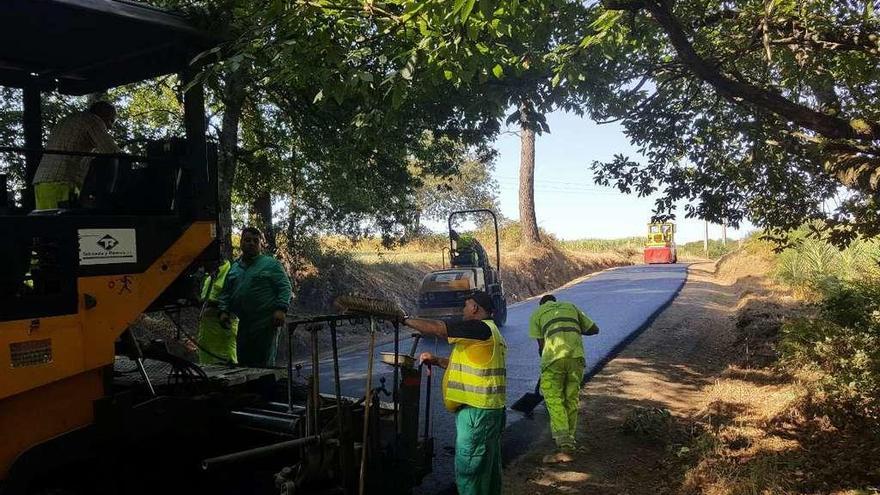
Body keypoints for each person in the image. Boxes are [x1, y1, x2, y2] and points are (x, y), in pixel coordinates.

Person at [401, 291, 507, 495]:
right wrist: (437, 360)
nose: (464, 309)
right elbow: (469, 365)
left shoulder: (480, 327)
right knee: (488, 471)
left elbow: (440, 329)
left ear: (475, 308)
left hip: (477, 413)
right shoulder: (491, 332)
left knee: (470, 473)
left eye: (466, 305)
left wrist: (404, 320)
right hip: (490, 411)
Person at [528, 294, 599, 463]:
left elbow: (541, 346)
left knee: (554, 399)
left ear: (541, 304)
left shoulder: (537, 314)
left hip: (553, 360)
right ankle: (571, 437)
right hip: (576, 358)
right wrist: (574, 328)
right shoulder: (570, 307)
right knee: (571, 398)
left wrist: (545, 362)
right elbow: (594, 329)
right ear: (555, 301)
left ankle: (564, 443)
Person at [218, 227, 292, 367]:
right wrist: (223, 311)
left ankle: (266, 387)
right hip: (244, 324)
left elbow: (285, 287)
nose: (251, 243)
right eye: (247, 240)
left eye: (255, 241)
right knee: (244, 361)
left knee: (264, 365)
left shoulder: (271, 264)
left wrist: (281, 309)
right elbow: (225, 293)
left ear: (260, 245)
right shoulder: (235, 268)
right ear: (240, 243)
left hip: (266, 323)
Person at [31, 101, 120, 210]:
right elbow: (111, 151)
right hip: (63, 181)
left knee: (47, 223)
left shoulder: (67, 120)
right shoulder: (92, 120)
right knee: (61, 224)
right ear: (103, 113)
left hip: (43, 181)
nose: (110, 127)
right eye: (111, 120)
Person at [196, 259, 238, 365]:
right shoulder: (211, 276)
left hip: (222, 328)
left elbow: (233, 301)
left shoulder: (230, 274)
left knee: (226, 362)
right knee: (206, 362)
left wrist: (217, 309)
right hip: (207, 329)